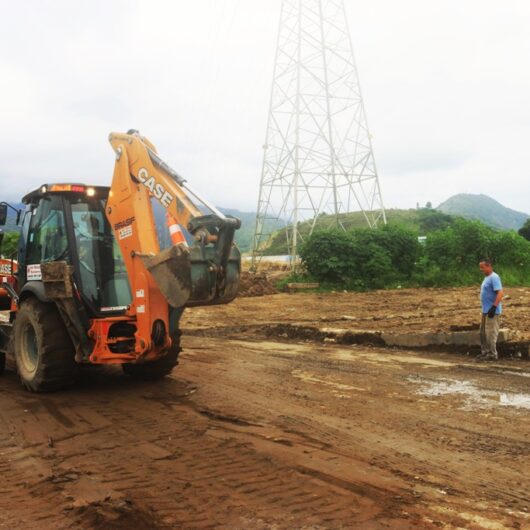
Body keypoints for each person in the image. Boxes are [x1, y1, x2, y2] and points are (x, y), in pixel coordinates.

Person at [476, 258, 504, 362]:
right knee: (483, 333)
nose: (481, 269)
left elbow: (500, 293)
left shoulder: (494, 277)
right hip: (485, 311)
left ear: (488, 266)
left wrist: (494, 307)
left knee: (490, 333)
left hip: (492, 311)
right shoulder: (486, 278)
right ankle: (485, 352)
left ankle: (492, 354)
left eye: (482, 267)